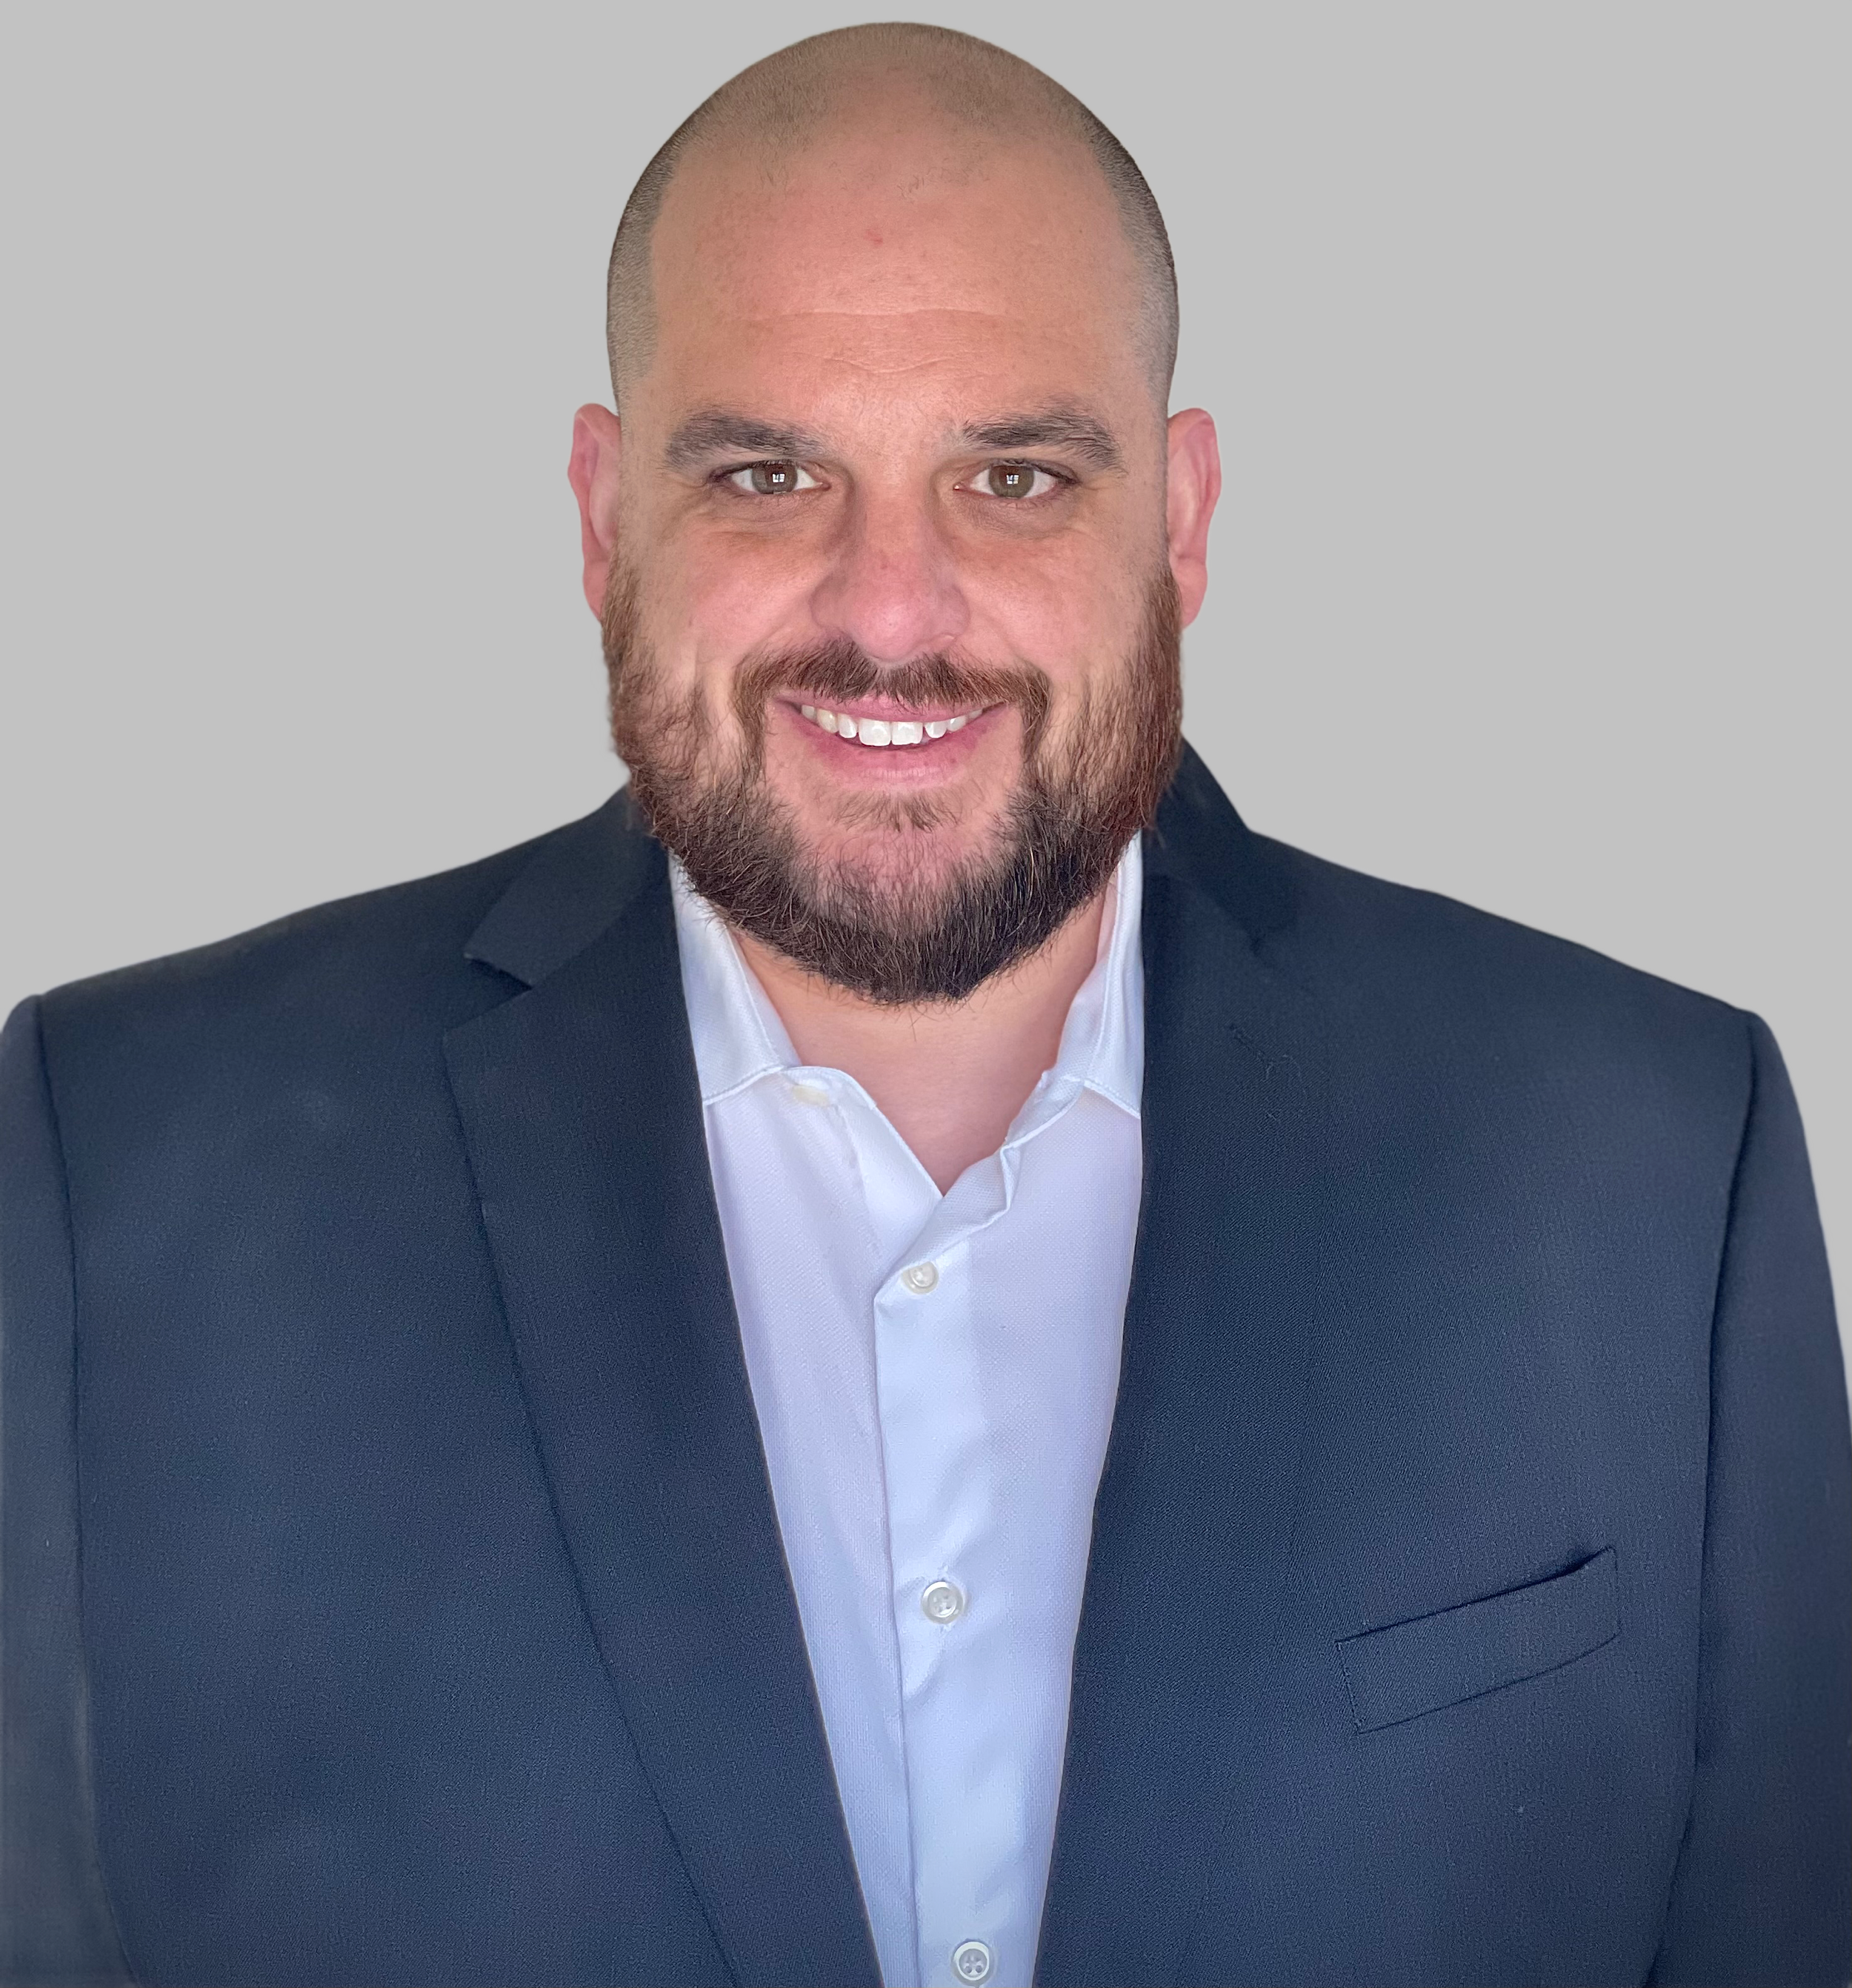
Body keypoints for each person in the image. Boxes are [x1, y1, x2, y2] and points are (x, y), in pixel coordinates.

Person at [2, 21, 1846, 1988]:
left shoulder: (1649, 1157)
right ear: (605, 515)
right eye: (768, 470)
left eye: (1017, 473)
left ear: (1184, 519)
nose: (891, 609)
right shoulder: (115, 1177)